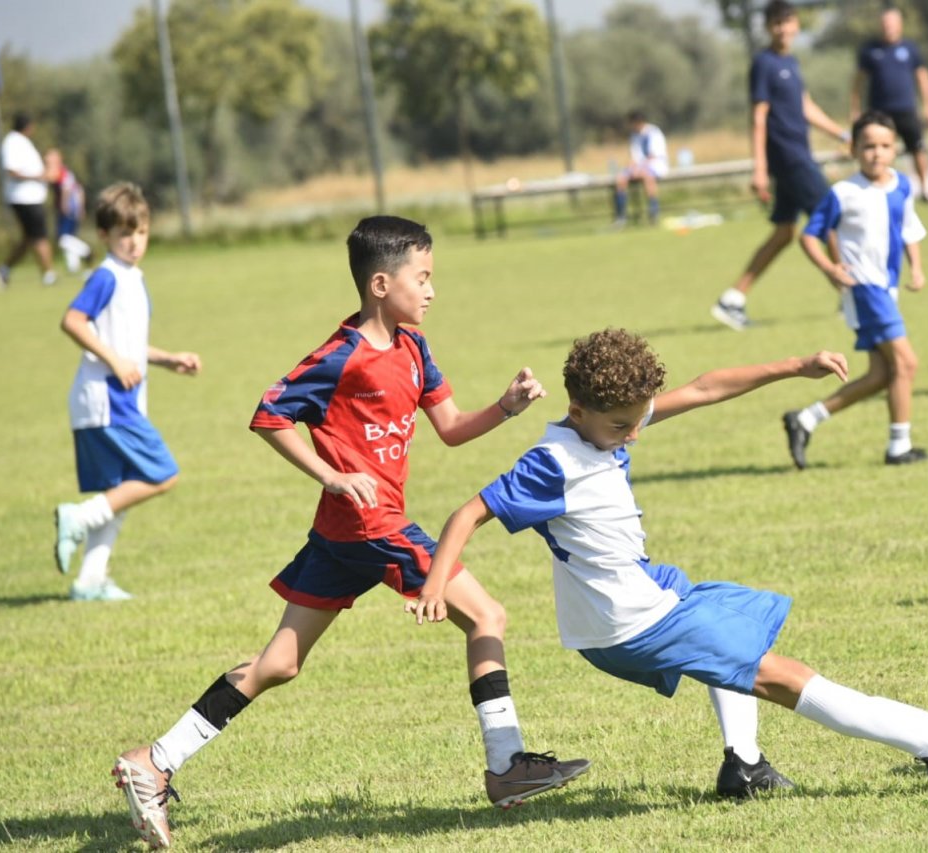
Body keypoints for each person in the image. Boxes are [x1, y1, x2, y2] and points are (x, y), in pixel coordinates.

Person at [110, 216, 589, 849]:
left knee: (279, 663)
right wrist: (331, 475)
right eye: (423, 278)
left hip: (343, 535)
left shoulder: (415, 348)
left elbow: (448, 427)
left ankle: (154, 762)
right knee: (488, 616)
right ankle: (507, 766)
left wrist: (503, 408)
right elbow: (269, 414)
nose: (432, 291)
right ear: (381, 283)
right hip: (370, 525)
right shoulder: (341, 355)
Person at [407, 328, 928, 802]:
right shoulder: (552, 462)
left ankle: (743, 764)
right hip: (631, 624)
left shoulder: (606, 420)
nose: (633, 434)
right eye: (622, 426)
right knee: (781, 677)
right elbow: (467, 514)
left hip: (639, 597)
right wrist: (436, 585)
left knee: (723, 612)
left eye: (637, 420)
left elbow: (708, 387)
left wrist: (796, 366)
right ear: (578, 413)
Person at [54, 182, 200, 602]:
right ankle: (77, 517)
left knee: (123, 489)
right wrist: (116, 362)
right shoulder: (106, 275)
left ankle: (89, 580)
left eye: (141, 233)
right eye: (124, 235)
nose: (134, 243)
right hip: (107, 401)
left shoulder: (132, 277)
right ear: (104, 236)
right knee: (162, 473)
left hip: (120, 400)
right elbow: (74, 321)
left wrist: (168, 358)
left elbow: (126, 342)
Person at [782, 112, 928, 469]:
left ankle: (805, 420)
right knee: (907, 363)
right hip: (864, 288)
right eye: (868, 146)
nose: (876, 153)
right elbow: (809, 235)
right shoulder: (844, 193)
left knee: (882, 374)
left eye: (884, 146)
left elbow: (908, 228)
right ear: (854, 150)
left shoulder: (903, 185)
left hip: (888, 288)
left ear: (894, 149)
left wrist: (918, 268)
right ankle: (899, 447)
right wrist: (830, 268)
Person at [710, 0, 852, 332]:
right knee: (831, 216)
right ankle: (849, 293)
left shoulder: (790, 62)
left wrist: (842, 133)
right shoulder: (763, 64)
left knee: (784, 233)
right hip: (788, 159)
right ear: (768, 27)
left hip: (796, 156)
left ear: (796, 25)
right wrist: (759, 168)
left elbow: (805, 106)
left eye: (787, 22)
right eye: (776, 23)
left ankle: (732, 299)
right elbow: (758, 118)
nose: (783, 29)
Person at [851, 6, 928, 202]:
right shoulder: (870, 50)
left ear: (899, 25)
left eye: (892, 23)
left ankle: (926, 188)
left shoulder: (910, 48)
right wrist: (855, 109)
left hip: (906, 109)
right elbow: (858, 81)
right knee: (879, 150)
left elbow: (923, 76)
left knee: (917, 148)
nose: (888, 28)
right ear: (880, 26)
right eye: (885, 24)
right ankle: (879, 187)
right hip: (879, 113)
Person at [0, 112, 58, 290]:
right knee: (40, 236)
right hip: (24, 198)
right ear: (28, 126)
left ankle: (3, 269)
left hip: (30, 197)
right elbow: (11, 171)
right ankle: (49, 274)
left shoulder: (20, 141)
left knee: (29, 238)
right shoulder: (12, 142)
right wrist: (39, 176)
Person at [613, 110, 669, 226]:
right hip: (639, 167)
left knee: (647, 176)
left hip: (656, 164)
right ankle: (621, 217)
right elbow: (634, 156)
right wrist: (632, 166)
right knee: (620, 179)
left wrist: (640, 167)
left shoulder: (654, 133)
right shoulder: (634, 135)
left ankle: (654, 213)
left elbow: (653, 155)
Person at [44, 148, 94, 274]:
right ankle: (73, 267)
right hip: (73, 208)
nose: (46, 159)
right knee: (69, 237)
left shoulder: (60, 172)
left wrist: (64, 204)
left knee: (63, 239)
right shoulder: (65, 171)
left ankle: (87, 251)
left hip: (69, 208)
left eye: (50, 156)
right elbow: (79, 188)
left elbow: (66, 189)